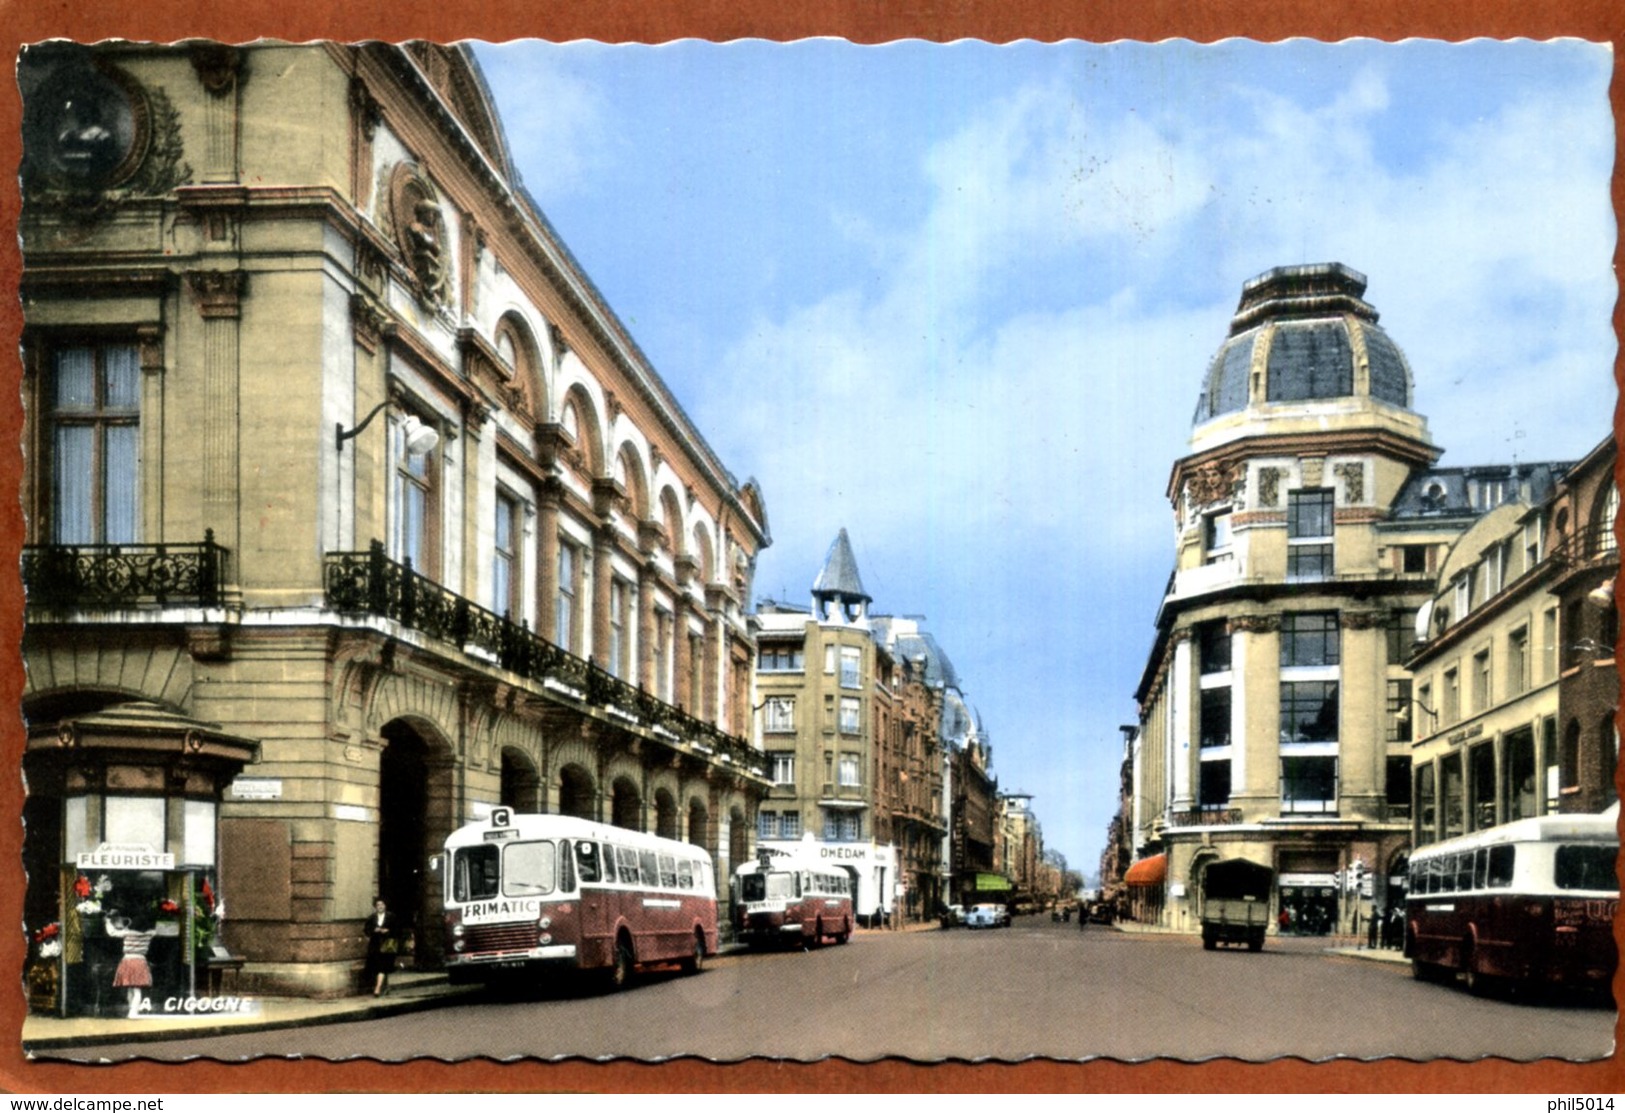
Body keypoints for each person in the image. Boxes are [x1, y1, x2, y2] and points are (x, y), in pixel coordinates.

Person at [104, 909, 157, 1019]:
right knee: (137, 989)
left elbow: (112, 933)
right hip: (140, 961)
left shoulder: (127, 933)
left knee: (130, 988)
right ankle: (134, 1011)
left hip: (127, 960)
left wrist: (108, 921)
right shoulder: (149, 934)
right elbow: (154, 931)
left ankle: (131, 1010)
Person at [362, 897, 399, 997]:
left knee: (383, 966)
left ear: (385, 906)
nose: (380, 907)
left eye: (382, 905)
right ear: (375, 907)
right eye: (378, 905)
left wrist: (388, 931)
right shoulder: (371, 918)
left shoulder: (391, 917)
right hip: (375, 945)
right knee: (378, 966)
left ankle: (377, 988)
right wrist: (374, 930)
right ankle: (385, 987)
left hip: (387, 944)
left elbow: (397, 930)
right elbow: (366, 930)